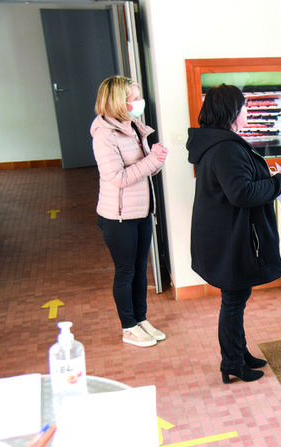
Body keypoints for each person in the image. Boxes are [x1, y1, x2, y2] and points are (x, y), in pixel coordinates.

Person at [187, 84, 281, 384]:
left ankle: (239, 352)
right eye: (244, 106)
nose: (248, 111)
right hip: (228, 240)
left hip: (223, 236)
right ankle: (232, 362)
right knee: (233, 301)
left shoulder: (217, 142)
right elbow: (242, 193)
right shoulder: (226, 148)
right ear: (232, 112)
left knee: (237, 298)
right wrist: (280, 181)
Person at [92, 76, 169, 348]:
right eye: (134, 98)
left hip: (142, 211)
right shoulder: (104, 134)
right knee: (126, 271)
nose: (139, 102)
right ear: (118, 102)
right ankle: (128, 327)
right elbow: (118, 178)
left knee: (140, 271)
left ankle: (141, 320)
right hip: (118, 217)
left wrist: (156, 158)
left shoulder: (133, 126)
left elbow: (146, 170)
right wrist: (151, 161)